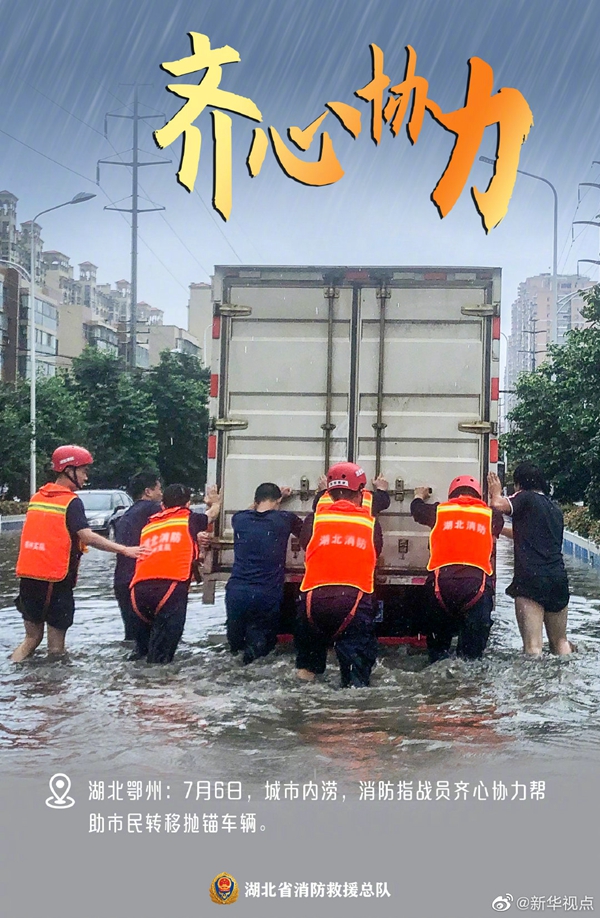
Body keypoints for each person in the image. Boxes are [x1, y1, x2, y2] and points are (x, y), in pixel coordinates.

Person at [12, 445, 145, 662]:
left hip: (28, 578)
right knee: (56, 650)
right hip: (55, 580)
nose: (86, 477)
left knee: (31, 639)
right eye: (83, 471)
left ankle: (16, 674)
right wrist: (124, 549)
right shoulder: (71, 502)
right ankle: (56, 683)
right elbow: (88, 536)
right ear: (68, 470)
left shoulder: (37, 497)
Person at [294, 463, 389, 687]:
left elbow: (306, 545)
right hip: (353, 601)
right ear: (360, 492)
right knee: (356, 681)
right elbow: (375, 553)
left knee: (307, 670)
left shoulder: (314, 519)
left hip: (312, 601)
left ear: (328, 492)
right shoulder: (369, 523)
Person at [411, 475, 504, 663]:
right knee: (471, 660)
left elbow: (417, 510)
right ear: (478, 496)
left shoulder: (439, 511)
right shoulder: (490, 516)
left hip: (441, 588)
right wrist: (496, 495)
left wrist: (418, 496)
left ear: (451, 495)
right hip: (476, 589)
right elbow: (499, 521)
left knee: (437, 656)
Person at [129, 483, 220, 663]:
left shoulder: (149, 525)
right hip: (169, 589)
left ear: (163, 505)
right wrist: (215, 502)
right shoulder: (189, 519)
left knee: (143, 653)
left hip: (137, 592)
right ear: (188, 504)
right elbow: (212, 515)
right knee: (162, 660)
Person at [488, 463, 573, 656]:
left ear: (519, 484)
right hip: (558, 580)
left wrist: (496, 492)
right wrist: (499, 530)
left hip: (531, 580)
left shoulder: (525, 496)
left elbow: (498, 504)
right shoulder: (554, 509)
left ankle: (532, 678)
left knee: (533, 647)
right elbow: (528, 535)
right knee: (560, 642)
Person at [226, 483, 302, 664]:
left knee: (236, 651)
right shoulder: (285, 519)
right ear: (278, 501)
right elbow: (307, 533)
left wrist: (273, 499)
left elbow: (252, 510)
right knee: (259, 653)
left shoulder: (239, 519)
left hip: (236, 594)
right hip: (265, 595)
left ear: (255, 500)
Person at [113, 470, 163, 641]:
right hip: (141, 582)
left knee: (133, 638)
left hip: (122, 581)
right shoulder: (154, 509)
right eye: (159, 489)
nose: (161, 494)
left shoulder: (126, 515)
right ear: (148, 492)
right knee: (155, 637)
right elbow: (184, 521)